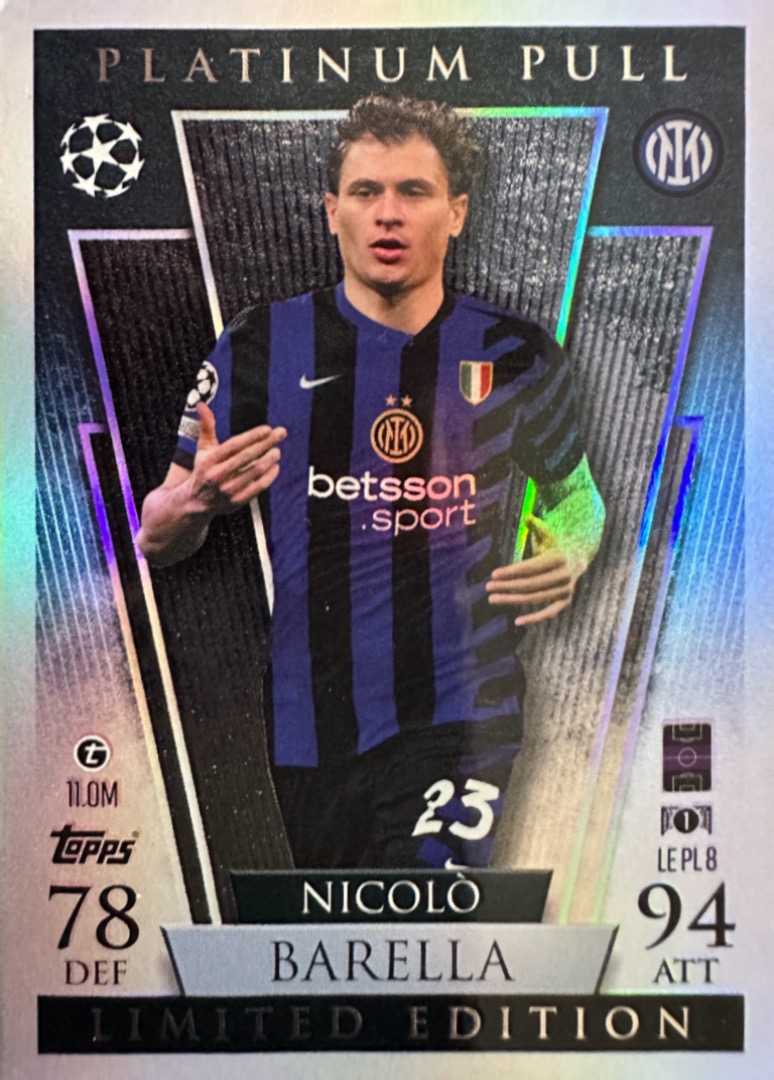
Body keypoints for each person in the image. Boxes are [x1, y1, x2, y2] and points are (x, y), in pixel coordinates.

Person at [137, 95, 605, 870]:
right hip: (310, 724)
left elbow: (577, 494)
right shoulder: (262, 343)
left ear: (456, 212)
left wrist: (574, 550)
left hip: (464, 707)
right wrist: (193, 501)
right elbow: (155, 534)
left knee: (428, 900)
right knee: (347, 928)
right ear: (332, 212)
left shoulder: (516, 353)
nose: (389, 213)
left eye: (414, 191)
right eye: (365, 191)